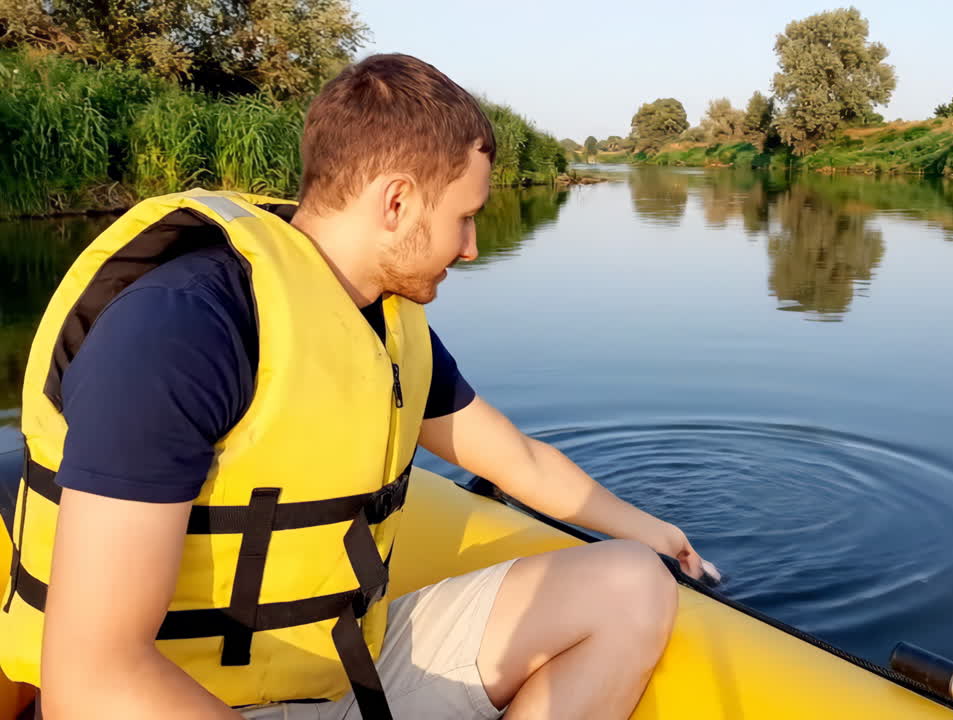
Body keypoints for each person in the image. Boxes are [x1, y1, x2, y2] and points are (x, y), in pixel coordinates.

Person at [0, 54, 709, 720]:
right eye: (464, 217)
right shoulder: (182, 330)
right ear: (397, 202)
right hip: (184, 698)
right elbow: (91, 678)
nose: (471, 248)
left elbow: (516, 459)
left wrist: (657, 534)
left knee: (628, 585)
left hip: (335, 674)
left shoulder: (382, 323)